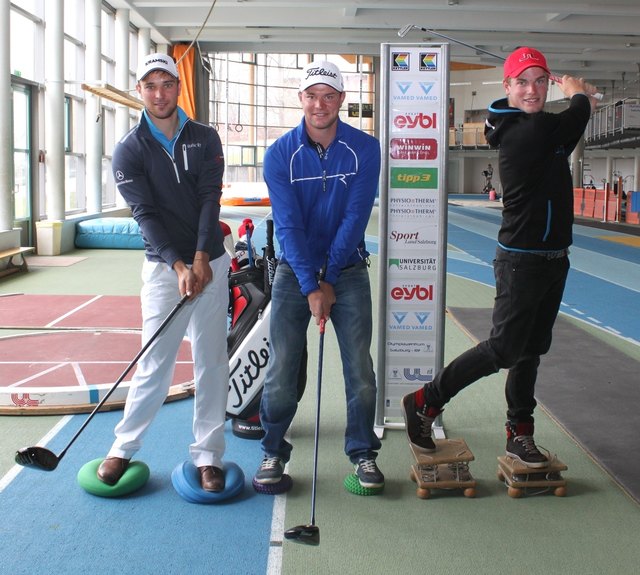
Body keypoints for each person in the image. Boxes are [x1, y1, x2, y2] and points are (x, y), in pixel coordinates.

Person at [402, 47, 599, 468]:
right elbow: (575, 118)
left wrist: (576, 98)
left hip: (553, 258)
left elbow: (571, 126)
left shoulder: (541, 128)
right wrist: (577, 92)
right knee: (504, 349)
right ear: (507, 87)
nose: (532, 90)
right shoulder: (527, 131)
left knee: (530, 350)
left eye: (540, 81)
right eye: (522, 82)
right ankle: (424, 400)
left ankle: (519, 434)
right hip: (522, 260)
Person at [98, 53, 230, 492]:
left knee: (212, 361)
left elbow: (210, 198)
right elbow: (145, 214)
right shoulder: (129, 149)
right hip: (161, 271)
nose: (159, 93)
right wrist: (177, 264)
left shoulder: (206, 138)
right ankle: (122, 448)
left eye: (167, 84)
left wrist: (198, 260)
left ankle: (208, 455)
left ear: (178, 88)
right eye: (150, 85)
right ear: (140, 91)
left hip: (209, 262)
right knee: (155, 361)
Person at [253, 61, 384, 489]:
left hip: (347, 270)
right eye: (312, 96)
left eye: (329, 96)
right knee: (282, 368)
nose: (319, 104)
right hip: (295, 272)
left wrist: (328, 280)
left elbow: (356, 216)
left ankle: (363, 453)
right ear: (301, 100)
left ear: (341, 101)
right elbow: (287, 225)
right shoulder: (279, 155)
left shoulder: (365, 149)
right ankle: (273, 451)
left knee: (360, 371)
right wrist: (311, 284)